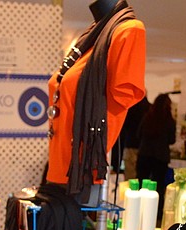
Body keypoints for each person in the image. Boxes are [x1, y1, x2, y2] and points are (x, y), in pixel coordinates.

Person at [45, 0, 145, 204]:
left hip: (83, 169)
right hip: (59, 166)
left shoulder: (128, 30)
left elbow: (123, 95)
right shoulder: (90, 38)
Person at [136, 93, 176, 217]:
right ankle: (156, 215)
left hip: (145, 154)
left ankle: (138, 211)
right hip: (160, 156)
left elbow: (139, 134)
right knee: (158, 187)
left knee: (141, 184)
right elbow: (172, 140)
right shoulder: (169, 120)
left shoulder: (148, 117)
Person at [120, 94, 149, 179]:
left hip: (130, 144)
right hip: (145, 149)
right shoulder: (151, 109)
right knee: (143, 178)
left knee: (130, 177)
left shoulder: (129, 109)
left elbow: (123, 128)